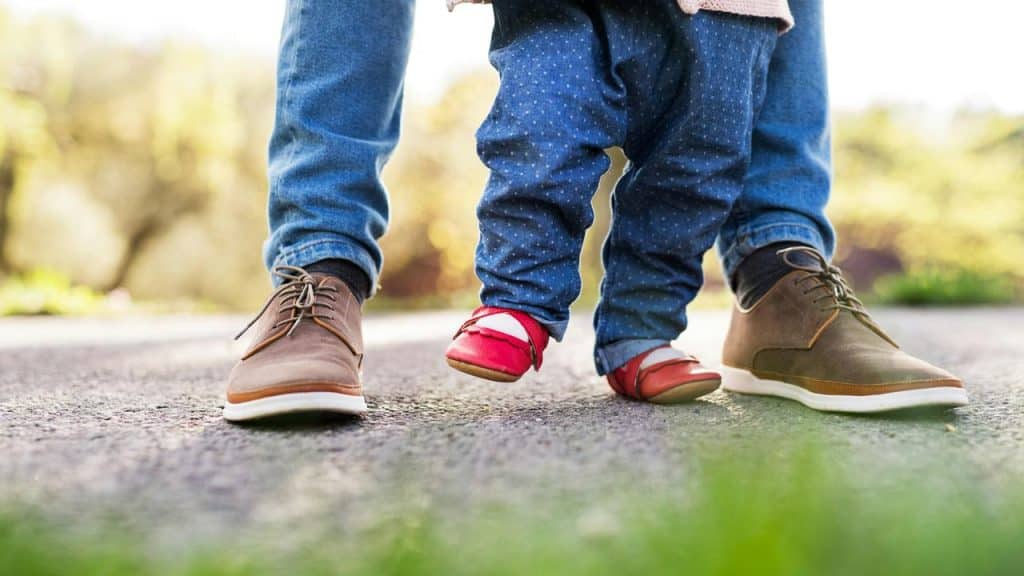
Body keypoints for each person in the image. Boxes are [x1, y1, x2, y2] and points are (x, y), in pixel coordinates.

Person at [223, 0, 966, 422]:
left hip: (733, 10)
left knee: (695, 174)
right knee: (541, 136)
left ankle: (652, 331)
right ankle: (484, 299)